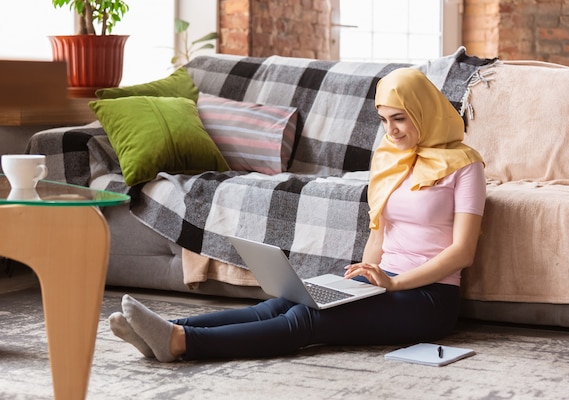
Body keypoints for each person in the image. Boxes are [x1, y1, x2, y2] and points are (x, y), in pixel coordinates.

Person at [108, 67, 486, 362]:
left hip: (429, 299)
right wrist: (363, 278)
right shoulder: (390, 158)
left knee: (306, 322)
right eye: (384, 119)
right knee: (285, 304)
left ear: (423, 110)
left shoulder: (466, 166)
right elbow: (378, 234)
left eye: (399, 118)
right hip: (385, 281)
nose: (390, 130)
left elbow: (462, 251)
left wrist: (394, 285)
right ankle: (168, 327)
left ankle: (179, 342)